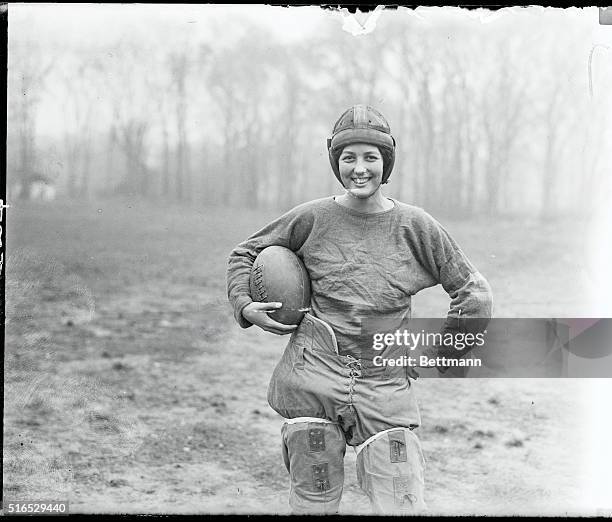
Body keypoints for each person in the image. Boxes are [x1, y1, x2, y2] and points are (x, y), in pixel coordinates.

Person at [226, 105, 493, 514]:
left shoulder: (415, 225)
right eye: (348, 157)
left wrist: (443, 353)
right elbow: (245, 253)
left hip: (384, 383)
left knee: (401, 499)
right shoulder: (312, 217)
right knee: (313, 499)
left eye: (371, 157)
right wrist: (246, 306)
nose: (359, 168)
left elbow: (473, 292)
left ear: (386, 163)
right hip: (312, 376)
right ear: (336, 162)